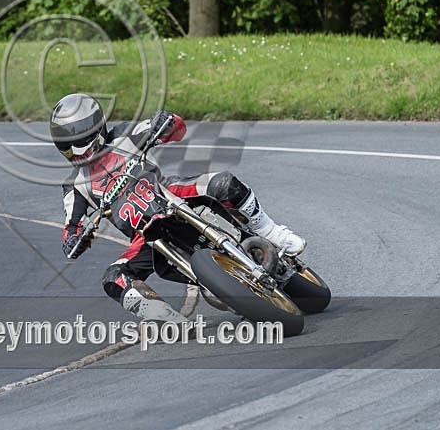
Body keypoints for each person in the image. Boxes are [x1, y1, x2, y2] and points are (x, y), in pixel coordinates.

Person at [50, 93, 305, 323]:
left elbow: (176, 128)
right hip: (145, 237)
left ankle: (272, 232)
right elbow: (71, 228)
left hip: (171, 195)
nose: (75, 151)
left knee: (223, 183)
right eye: (67, 146)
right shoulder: (75, 185)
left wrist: (166, 122)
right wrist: (74, 240)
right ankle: (165, 319)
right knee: (113, 277)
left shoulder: (124, 134)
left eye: (77, 142)